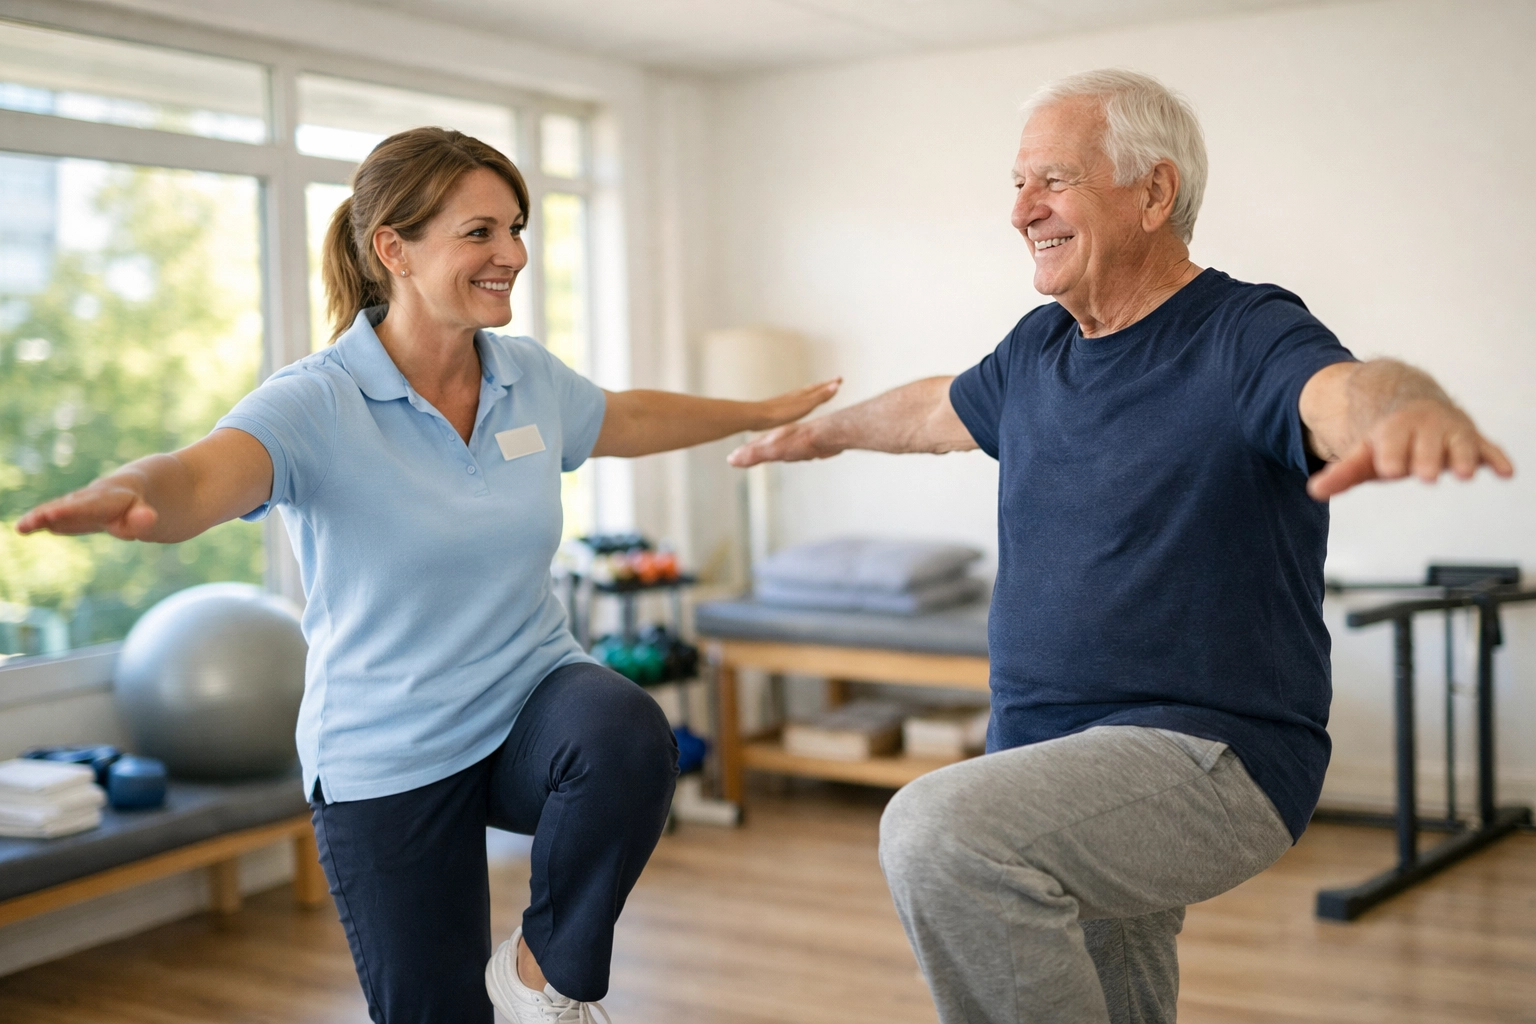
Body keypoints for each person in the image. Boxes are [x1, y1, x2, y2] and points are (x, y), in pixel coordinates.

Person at [729, 69, 1512, 1024]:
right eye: (1016, 184)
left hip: (1210, 754)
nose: (1022, 210)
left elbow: (1342, 393)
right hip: (1051, 752)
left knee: (944, 834)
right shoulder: (1039, 347)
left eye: (1051, 179)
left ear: (1154, 192)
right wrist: (821, 432)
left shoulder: (1243, 332)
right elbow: (937, 408)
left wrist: (1412, 408)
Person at [16, 127, 839, 1024]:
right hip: (388, 750)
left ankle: (540, 981)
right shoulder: (318, 400)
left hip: (528, 702)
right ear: (393, 249)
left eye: (516, 228)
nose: (512, 255)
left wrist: (760, 412)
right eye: (480, 233)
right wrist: (133, 494)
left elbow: (628, 416)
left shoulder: (526, 378)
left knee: (627, 734)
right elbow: (202, 472)